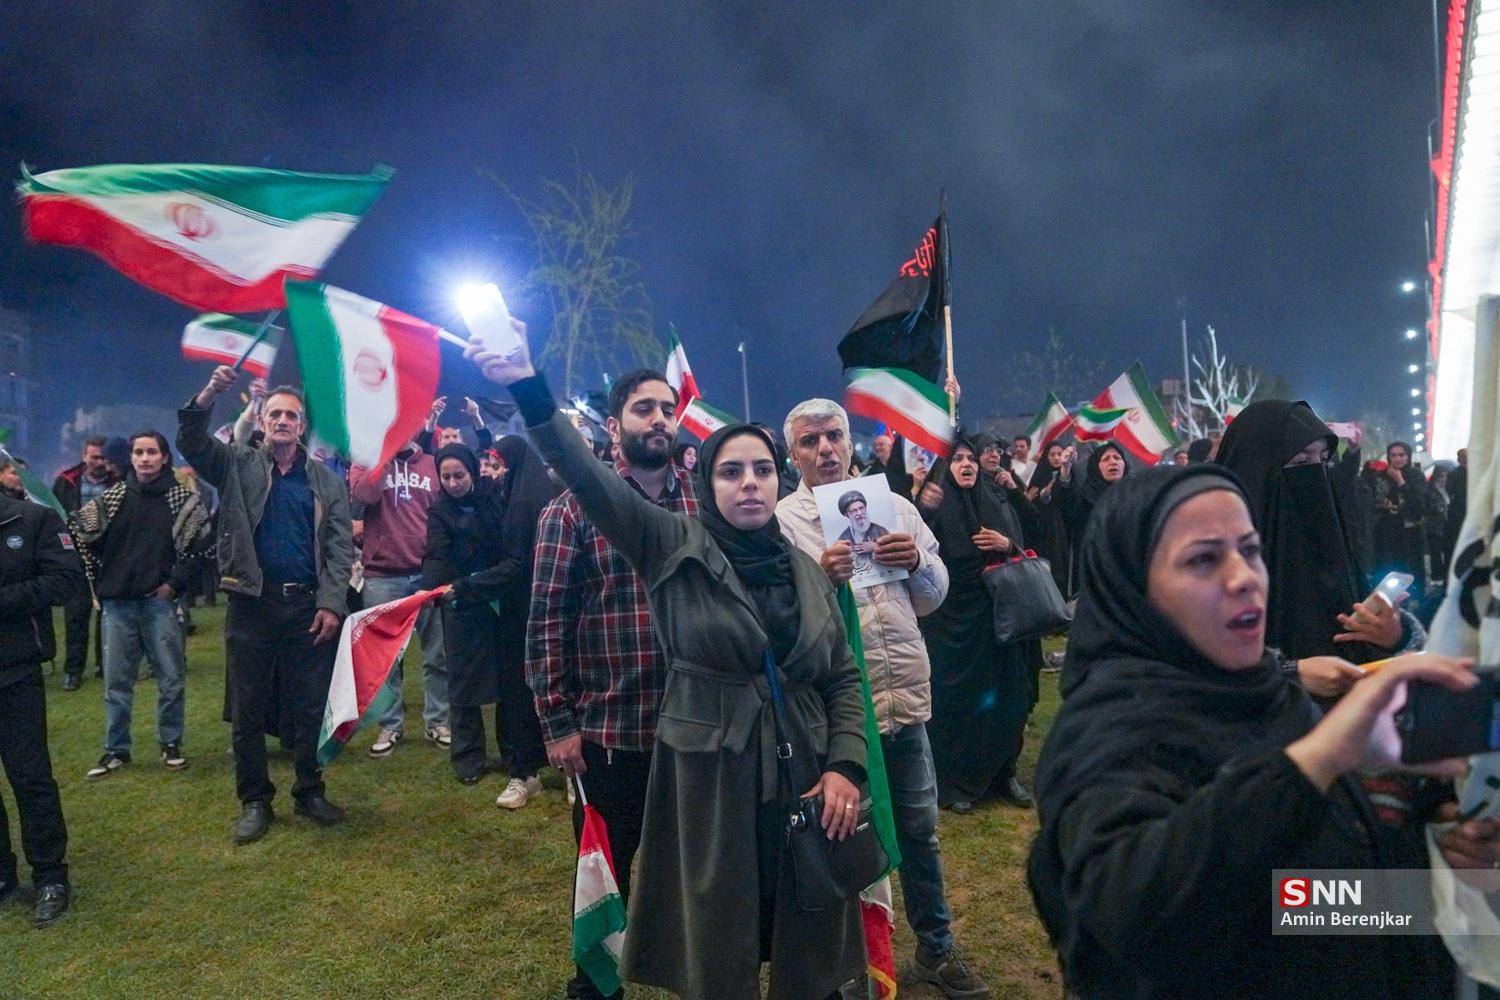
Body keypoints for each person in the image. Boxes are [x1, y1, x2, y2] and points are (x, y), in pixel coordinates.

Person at [476, 333, 869, 1000]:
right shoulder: (673, 545)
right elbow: (587, 479)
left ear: (780, 479)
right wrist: (527, 384)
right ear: (707, 482)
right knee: (719, 934)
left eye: (762, 469)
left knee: (807, 922)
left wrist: (846, 765)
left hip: (802, 773)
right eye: (731, 471)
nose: (749, 483)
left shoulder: (805, 569)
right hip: (712, 776)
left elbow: (841, 676)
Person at [1026, 462, 1497, 999]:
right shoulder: (1110, 734)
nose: (1244, 577)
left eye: (1250, 551)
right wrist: (1320, 757)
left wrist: (1434, 858)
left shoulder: (1268, 697)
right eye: (1203, 559)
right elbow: (1139, 918)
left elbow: (1286, 905)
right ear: (1134, 589)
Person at [778, 399, 989, 999]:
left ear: (850, 442)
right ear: (792, 455)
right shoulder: (783, 524)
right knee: (843, 842)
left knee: (920, 831)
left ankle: (936, 949)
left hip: (904, 700)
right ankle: (853, 967)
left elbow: (934, 595)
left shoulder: (894, 506)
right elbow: (779, 623)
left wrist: (917, 561)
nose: (825, 449)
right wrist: (819, 582)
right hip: (837, 715)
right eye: (810, 441)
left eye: (834, 436)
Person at [526, 368, 698, 998]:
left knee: (693, 873)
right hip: (608, 732)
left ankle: (693, 977)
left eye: (667, 409)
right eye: (643, 408)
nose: (658, 419)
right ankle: (597, 987)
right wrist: (557, 724)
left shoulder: (702, 504)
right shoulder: (572, 509)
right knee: (606, 873)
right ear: (613, 424)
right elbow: (545, 622)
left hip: (695, 728)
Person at [177, 366, 354, 843]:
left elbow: (340, 549)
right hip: (251, 606)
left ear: (301, 425)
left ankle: (309, 790)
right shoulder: (237, 465)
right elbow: (192, 443)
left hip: (307, 610)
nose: (281, 421)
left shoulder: (326, 482)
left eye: (290, 415)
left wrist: (331, 603)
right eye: (274, 413)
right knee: (248, 711)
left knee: (309, 707)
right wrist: (210, 392)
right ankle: (255, 800)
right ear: (261, 420)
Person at [70, 431, 212, 779]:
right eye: (138, 452)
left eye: (151, 452)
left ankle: (171, 743)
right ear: (130, 458)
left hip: (160, 604)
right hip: (118, 604)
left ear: (164, 457)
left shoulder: (183, 500)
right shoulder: (112, 499)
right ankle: (116, 750)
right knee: (116, 683)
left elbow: (201, 548)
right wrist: (101, 577)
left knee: (171, 678)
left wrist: (174, 585)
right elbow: (82, 537)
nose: (144, 458)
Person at [422, 440, 553, 805]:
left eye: (459, 475)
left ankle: (515, 755)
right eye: (446, 476)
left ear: (472, 472)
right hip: (464, 600)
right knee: (463, 682)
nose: (453, 483)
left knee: (509, 683)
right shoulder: (440, 511)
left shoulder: (498, 498)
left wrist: (482, 581)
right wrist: (433, 587)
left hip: (502, 598)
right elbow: (436, 554)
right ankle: (469, 757)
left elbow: (511, 553)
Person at [919, 437, 1035, 812]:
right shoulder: (932, 505)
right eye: (957, 459)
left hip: (994, 618)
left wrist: (1006, 543)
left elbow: (1023, 543)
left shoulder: (993, 501)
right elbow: (917, 551)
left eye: (971, 458)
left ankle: (1004, 773)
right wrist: (924, 510)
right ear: (945, 468)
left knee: (1008, 695)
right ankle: (956, 783)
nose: (967, 464)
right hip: (949, 620)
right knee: (955, 701)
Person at [0, 486, 81, 927]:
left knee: (30, 777)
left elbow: (65, 580)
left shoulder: (32, 519)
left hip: (15, 671)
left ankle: (50, 875)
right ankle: (2, 873)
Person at [351, 438, 450, 756]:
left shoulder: (432, 464)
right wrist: (385, 454)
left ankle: (438, 720)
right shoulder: (366, 461)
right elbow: (366, 495)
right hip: (383, 574)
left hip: (427, 572)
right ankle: (389, 724)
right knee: (385, 660)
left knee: (437, 653)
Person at [51, 436, 121, 691]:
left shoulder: (118, 482)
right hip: (76, 556)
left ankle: (105, 664)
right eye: (94, 457)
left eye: (103, 457)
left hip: (109, 556)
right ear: (84, 456)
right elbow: (54, 516)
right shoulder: (66, 481)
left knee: (108, 615)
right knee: (75, 616)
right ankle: (73, 670)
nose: (99, 462)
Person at [1056, 442, 1128, 593]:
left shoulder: (1136, 495)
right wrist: (1066, 469)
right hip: (1095, 577)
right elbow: (1066, 505)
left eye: (1117, 458)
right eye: (1106, 459)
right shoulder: (1086, 497)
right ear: (1096, 467)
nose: (1113, 462)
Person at [1371, 440, 1428, 596]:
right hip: (1387, 533)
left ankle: (1416, 599)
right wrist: (1382, 504)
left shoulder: (1415, 475)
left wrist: (1400, 481)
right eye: (1393, 455)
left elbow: (1418, 504)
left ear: (1408, 456)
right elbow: (1373, 499)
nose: (1397, 459)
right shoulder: (1381, 476)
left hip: (1410, 533)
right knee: (1389, 570)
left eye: (1401, 455)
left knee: (1412, 570)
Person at [1025, 442, 1071, 597]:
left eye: (1059, 454)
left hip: (1064, 534)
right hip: (1043, 536)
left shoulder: (1070, 474)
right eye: (1052, 454)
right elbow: (1030, 507)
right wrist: (1043, 497)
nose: (1057, 458)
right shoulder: (1039, 476)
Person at [834, 489, 890, 578]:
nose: (859, 513)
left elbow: (895, 553)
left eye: (861, 508)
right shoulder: (843, 537)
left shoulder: (880, 531)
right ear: (847, 515)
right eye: (854, 510)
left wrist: (876, 547)